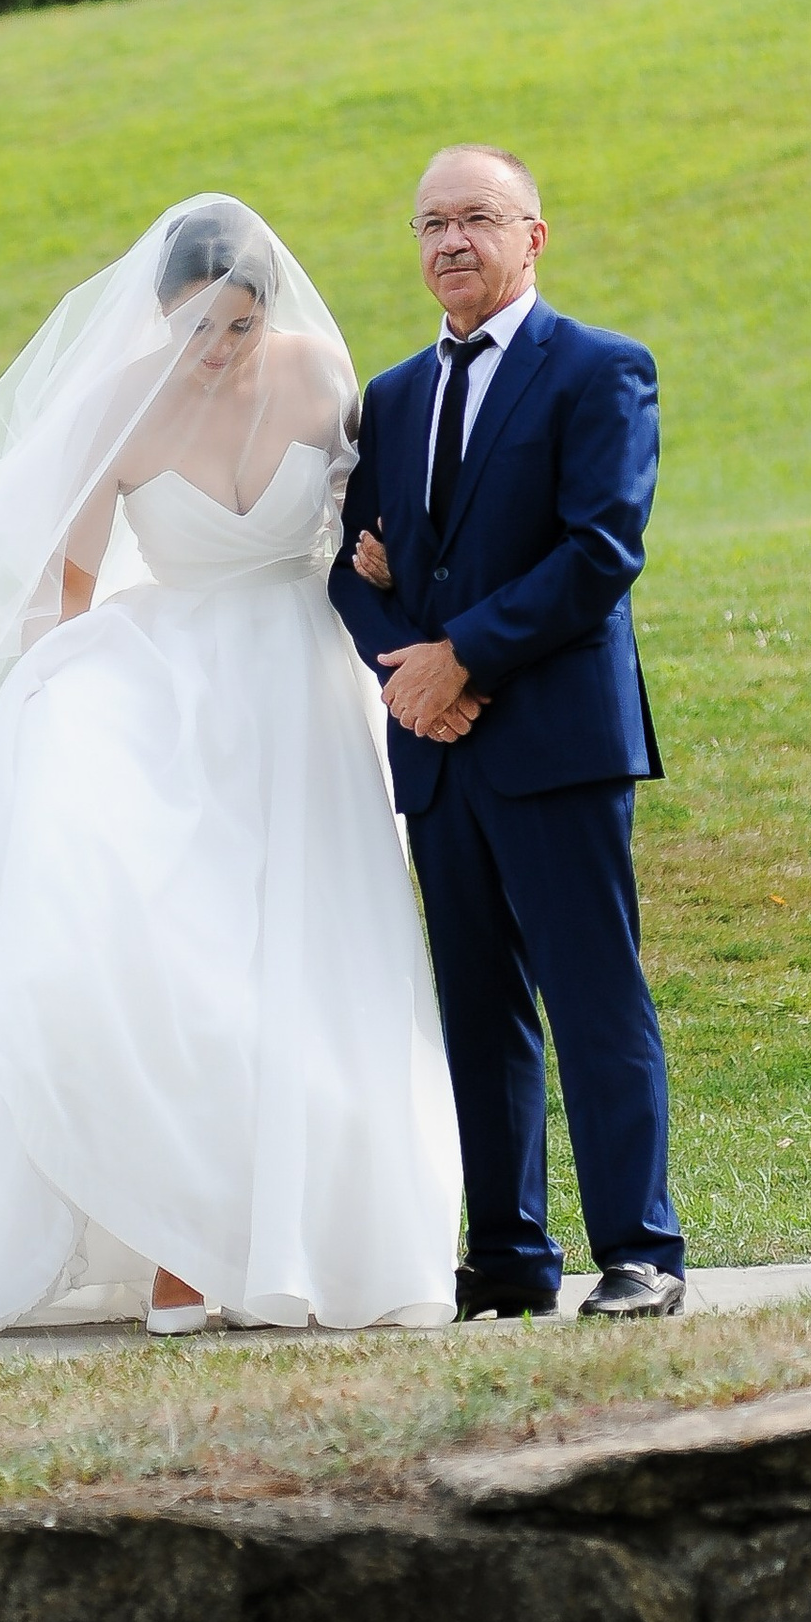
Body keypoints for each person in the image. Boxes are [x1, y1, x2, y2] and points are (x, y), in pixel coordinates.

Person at [0, 198, 461, 1343]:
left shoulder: (323, 377)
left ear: (270, 310)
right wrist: (47, 708)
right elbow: (67, 585)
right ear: (158, 320)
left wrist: (387, 564)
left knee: (318, 956)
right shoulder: (122, 404)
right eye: (192, 332)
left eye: (237, 328)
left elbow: (373, 516)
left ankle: (336, 1241)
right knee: (176, 957)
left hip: (307, 692)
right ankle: (178, 1247)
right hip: (179, 692)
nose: (214, 353)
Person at [330, 145, 685, 1321]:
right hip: (436, 752)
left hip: (559, 743)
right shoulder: (389, 397)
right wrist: (409, 666)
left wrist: (459, 655)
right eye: (429, 223)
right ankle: (507, 1260)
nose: (449, 243)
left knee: (593, 999)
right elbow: (352, 565)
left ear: (534, 235)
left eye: (477, 218)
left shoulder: (598, 371)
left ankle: (640, 1254)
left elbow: (600, 552)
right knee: (477, 1013)